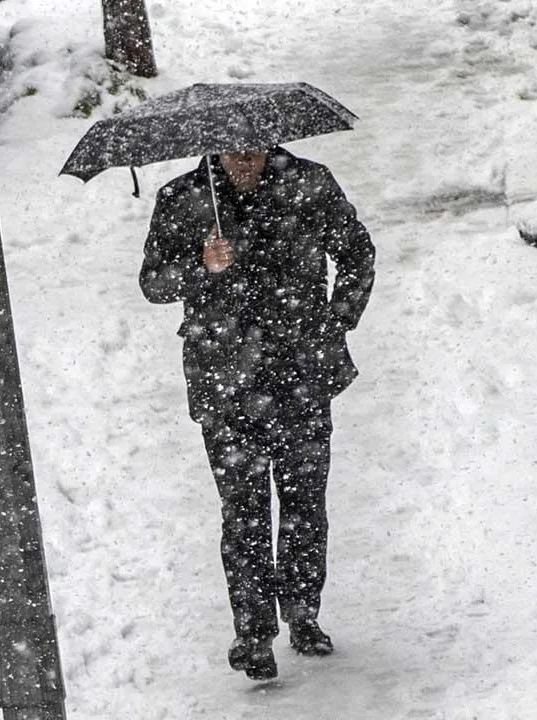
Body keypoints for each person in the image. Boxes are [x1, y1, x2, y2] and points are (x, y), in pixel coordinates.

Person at [140, 147, 374, 681]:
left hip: (301, 372)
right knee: (242, 512)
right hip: (224, 379)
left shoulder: (308, 184)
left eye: (253, 150)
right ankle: (253, 633)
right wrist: (201, 265)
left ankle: (302, 614)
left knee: (303, 503)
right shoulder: (182, 198)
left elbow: (357, 252)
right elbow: (153, 283)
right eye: (232, 152)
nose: (243, 161)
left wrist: (337, 321)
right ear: (214, 149)